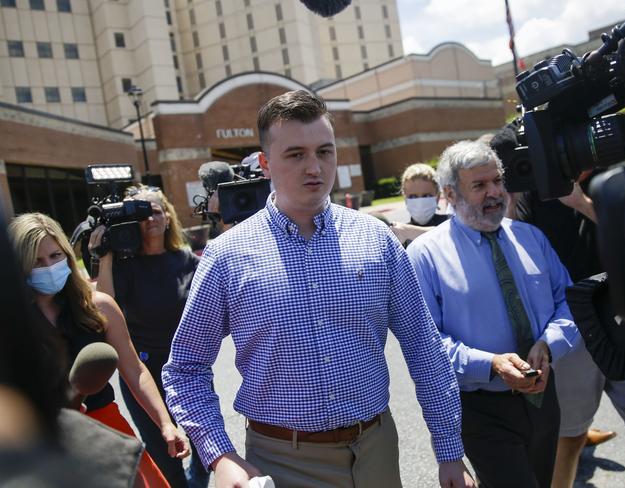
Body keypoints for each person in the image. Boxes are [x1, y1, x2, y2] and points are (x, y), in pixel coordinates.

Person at [163, 89, 474, 488]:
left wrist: (450, 451)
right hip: (281, 463)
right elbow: (185, 368)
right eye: (296, 154)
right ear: (265, 163)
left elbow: (423, 346)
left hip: (376, 450)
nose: (315, 167)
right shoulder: (227, 256)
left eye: (325, 152)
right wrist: (220, 455)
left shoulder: (375, 239)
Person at [407, 140, 580, 488]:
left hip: (544, 399)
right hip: (482, 409)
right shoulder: (425, 256)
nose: (495, 193)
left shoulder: (531, 237)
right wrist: (490, 363)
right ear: (451, 194)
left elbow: (569, 301)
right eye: (480, 185)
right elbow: (427, 344)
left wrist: (549, 344)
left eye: (498, 181)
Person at [490, 117, 625, 487]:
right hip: (570, 324)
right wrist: (512, 193)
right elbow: (506, 238)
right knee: (570, 436)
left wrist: (581, 202)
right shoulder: (529, 167)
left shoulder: (620, 159)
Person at [8, 212, 189, 488]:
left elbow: (134, 369)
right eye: (36, 261)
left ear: (68, 256)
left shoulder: (99, 306)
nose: (49, 266)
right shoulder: (10, 322)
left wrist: (165, 423)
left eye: (56, 256)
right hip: (42, 440)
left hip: (106, 428)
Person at [89, 185, 209, 488]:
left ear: (167, 216)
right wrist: (105, 257)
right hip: (143, 376)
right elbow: (103, 308)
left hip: (190, 373)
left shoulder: (189, 262)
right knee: (167, 460)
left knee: (206, 452)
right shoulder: (123, 266)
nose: (150, 219)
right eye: (141, 214)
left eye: (155, 210)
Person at [389, 162, 449, 246]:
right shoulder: (398, 235)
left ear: (437, 196)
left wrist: (409, 231)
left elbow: (448, 235)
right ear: (405, 198)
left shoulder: (451, 222)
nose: (420, 202)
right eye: (413, 196)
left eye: (426, 195)